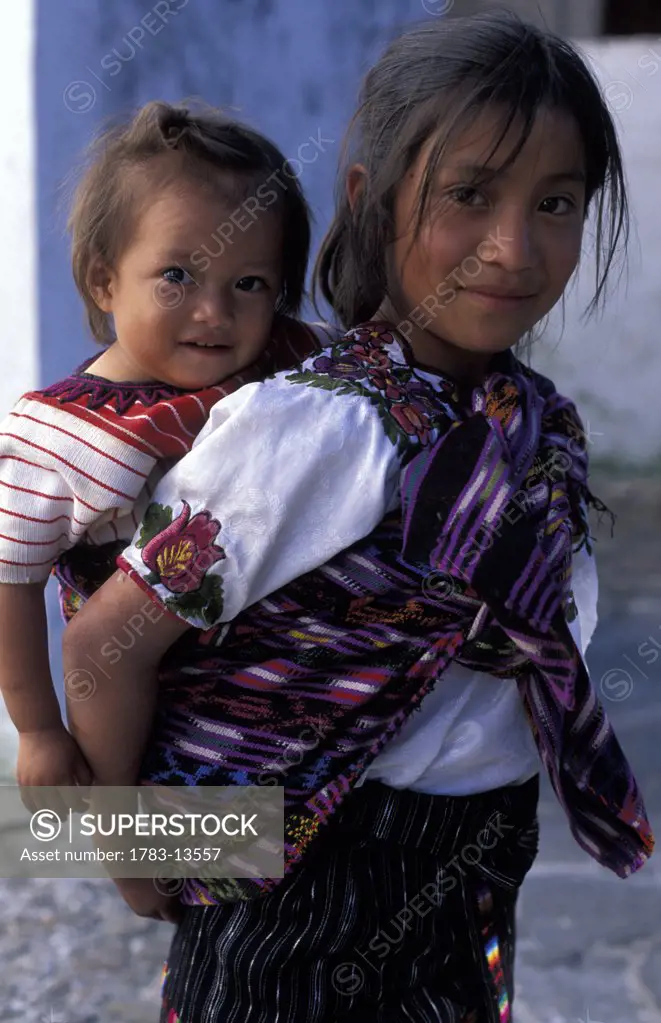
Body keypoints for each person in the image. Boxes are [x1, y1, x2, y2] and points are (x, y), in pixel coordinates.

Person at [64, 13, 654, 1023]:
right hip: (300, 884)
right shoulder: (312, 427)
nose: (513, 247)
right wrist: (131, 852)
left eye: (554, 202)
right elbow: (104, 645)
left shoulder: (521, 418)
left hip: (469, 865)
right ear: (370, 202)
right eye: (468, 195)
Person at [0, 100, 336, 805]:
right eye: (176, 276)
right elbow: (11, 579)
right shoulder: (56, 433)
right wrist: (36, 728)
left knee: (257, 878)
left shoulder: (283, 354)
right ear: (103, 280)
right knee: (147, 838)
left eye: (249, 284)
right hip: (140, 697)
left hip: (266, 702)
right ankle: (126, 853)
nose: (214, 312)